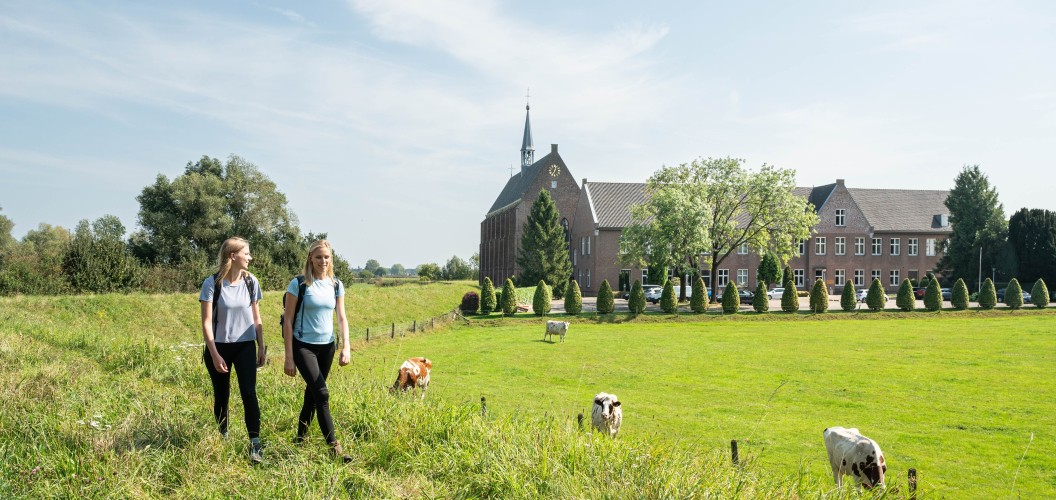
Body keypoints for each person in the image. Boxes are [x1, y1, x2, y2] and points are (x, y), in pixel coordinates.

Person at [282, 239, 352, 462]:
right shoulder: (299, 284)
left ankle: (299, 439)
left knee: (312, 395)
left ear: (331, 259)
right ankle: (334, 447)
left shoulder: (336, 285)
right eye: (319, 257)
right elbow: (288, 320)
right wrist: (289, 356)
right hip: (303, 346)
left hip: (327, 346)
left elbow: (341, 317)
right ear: (310, 258)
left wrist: (346, 346)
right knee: (322, 393)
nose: (323, 261)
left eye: (327, 257)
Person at [200, 237, 265, 464]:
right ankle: (223, 436)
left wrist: (261, 346)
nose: (250, 257)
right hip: (219, 347)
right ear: (232, 256)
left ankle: (255, 444)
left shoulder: (251, 282)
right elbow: (207, 323)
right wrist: (215, 354)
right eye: (246, 253)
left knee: (249, 393)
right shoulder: (212, 284)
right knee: (222, 394)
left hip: (246, 346)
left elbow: (256, 317)